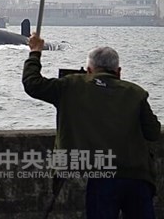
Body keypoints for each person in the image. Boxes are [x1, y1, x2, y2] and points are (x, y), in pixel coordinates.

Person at [23, 34, 160, 219]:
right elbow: (152, 132)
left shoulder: (70, 85)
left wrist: (35, 52)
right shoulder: (136, 92)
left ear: (88, 70)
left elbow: (33, 84)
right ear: (118, 71)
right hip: (137, 176)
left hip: (101, 174)